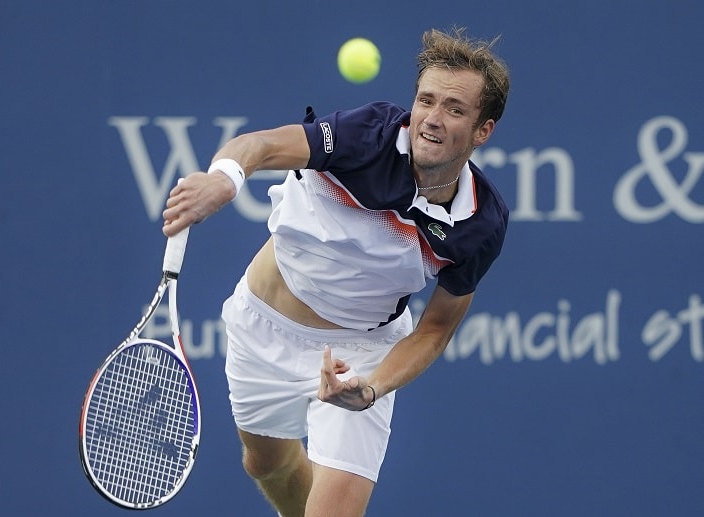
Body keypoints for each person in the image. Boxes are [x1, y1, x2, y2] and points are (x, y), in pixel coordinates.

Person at [163, 26, 510, 517]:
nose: (431, 120)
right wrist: (224, 179)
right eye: (426, 101)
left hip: (362, 350)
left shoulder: (481, 223)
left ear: (483, 129)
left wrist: (371, 388)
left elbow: (436, 328)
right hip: (264, 323)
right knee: (264, 465)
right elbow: (260, 145)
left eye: (454, 109)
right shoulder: (367, 136)